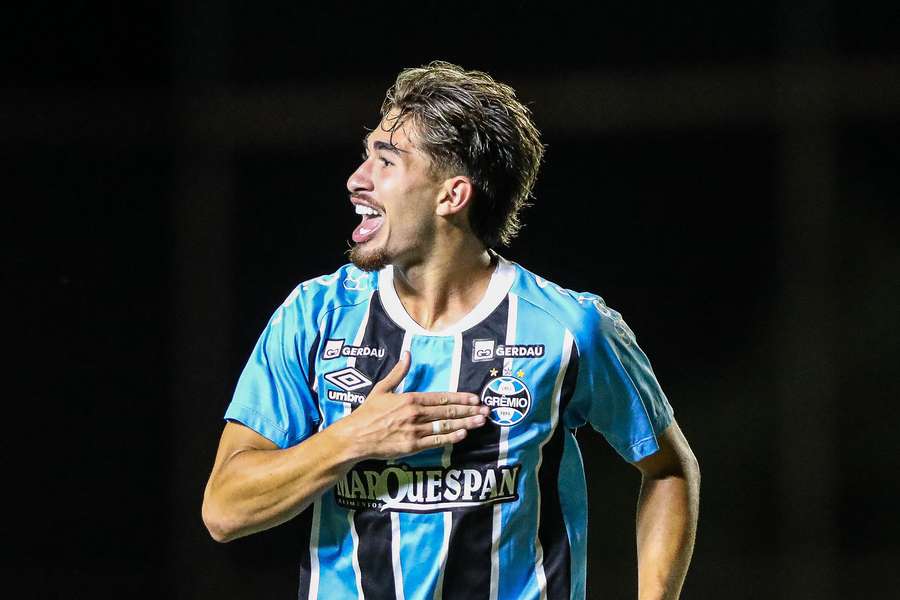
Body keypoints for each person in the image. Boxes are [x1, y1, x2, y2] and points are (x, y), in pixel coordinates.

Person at [202, 61, 700, 600]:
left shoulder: (570, 327)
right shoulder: (314, 315)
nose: (357, 178)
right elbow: (225, 510)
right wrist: (351, 438)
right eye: (367, 154)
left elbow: (670, 470)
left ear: (451, 196)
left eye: (386, 161)